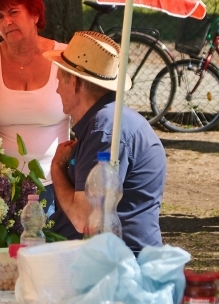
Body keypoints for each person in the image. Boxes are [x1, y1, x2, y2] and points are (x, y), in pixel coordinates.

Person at [45, 31, 166, 254]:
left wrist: (57, 169)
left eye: (60, 80)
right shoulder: (106, 122)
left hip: (115, 267)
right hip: (110, 259)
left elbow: (84, 220)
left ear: (73, 82)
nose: (57, 89)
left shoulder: (104, 130)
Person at [0, 0, 70, 200]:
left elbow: (88, 114)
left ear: (35, 14)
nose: (7, 22)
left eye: (13, 12)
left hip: (52, 181)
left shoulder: (63, 56)